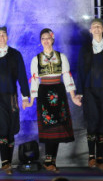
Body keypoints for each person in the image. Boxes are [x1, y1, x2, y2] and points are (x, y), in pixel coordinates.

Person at [26, 28, 79, 172]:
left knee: (58, 126)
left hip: (58, 92)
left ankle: (51, 160)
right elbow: (35, 81)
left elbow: (67, 77)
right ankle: (49, 160)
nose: (46, 40)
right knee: (48, 125)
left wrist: (73, 95)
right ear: (40, 41)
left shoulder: (61, 57)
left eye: (48, 37)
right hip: (44, 93)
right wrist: (31, 100)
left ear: (53, 39)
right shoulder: (36, 59)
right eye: (43, 38)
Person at [0, 26, 30, 174]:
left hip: (12, 96)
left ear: (7, 37)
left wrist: (25, 97)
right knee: (3, 128)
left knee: (11, 129)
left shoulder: (15, 54)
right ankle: (5, 162)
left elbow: (22, 76)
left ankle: (8, 161)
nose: (1, 37)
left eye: (3, 35)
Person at [74, 18, 103, 171]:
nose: (96, 29)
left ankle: (100, 158)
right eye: (94, 27)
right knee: (92, 122)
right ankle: (91, 157)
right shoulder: (85, 49)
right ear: (90, 30)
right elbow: (80, 71)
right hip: (89, 90)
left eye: (99, 26)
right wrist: (79, 92)